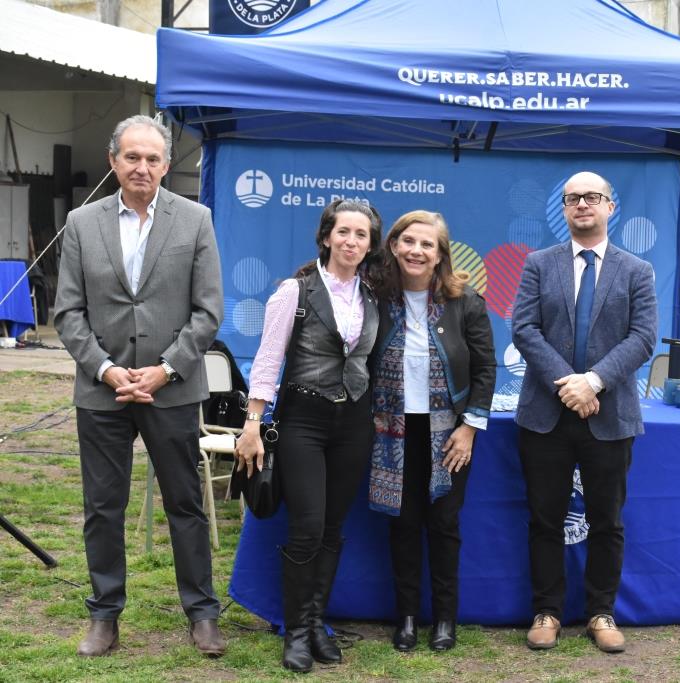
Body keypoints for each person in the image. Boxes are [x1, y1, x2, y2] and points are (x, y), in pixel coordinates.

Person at [54, 115, 226, 657]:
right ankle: (104, 615)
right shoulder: (82, 223)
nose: (142, 168)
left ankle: (202, 614)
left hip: (171, 389)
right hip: (101, 391)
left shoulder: (196, 220)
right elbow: (68, 312)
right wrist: (105, 369)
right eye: (132, 157)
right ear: (113, 162)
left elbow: (208, 311)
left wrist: (166, 368)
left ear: (166, 166)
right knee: (103, 507)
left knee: (185, 505)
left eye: (153, 159)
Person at [511, 171, 657, 653]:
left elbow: (642, 338)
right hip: (546, 415)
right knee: (545, 519)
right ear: (565, 210)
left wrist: (592, 382)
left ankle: (601, 612)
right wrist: (569, 385)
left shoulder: (637, 270)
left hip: (609, 414)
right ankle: (547, 611)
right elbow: (525, 329)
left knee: (607, 520)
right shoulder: (538, 263)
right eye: (573, 199)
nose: (582, 206)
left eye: (591, 198)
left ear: (610, 206)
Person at [234, 199, 382, 673]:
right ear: (326, 237)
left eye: (361, 235)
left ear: (370, 245)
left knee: (334, 529)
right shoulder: (293, 292)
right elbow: (267, 358)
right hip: (303, 420)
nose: (352, 241)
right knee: (308, 528)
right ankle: (295, 631)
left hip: (354, 423)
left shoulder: (374, 296)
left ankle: (317, 620)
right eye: (344, 232)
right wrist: (253, 423)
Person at [368, 210, 496, 653]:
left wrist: (469, 428)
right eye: (408, 242)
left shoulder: (466, 300)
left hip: (450, 432)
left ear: (441, 253)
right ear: (393, 245)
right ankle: (406, 617)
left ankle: (445, 618)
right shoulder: (375, 295)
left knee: (444, 523)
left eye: (427, 245)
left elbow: (485, 368)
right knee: (402, 524)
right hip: (391, 430)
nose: (416, 251)